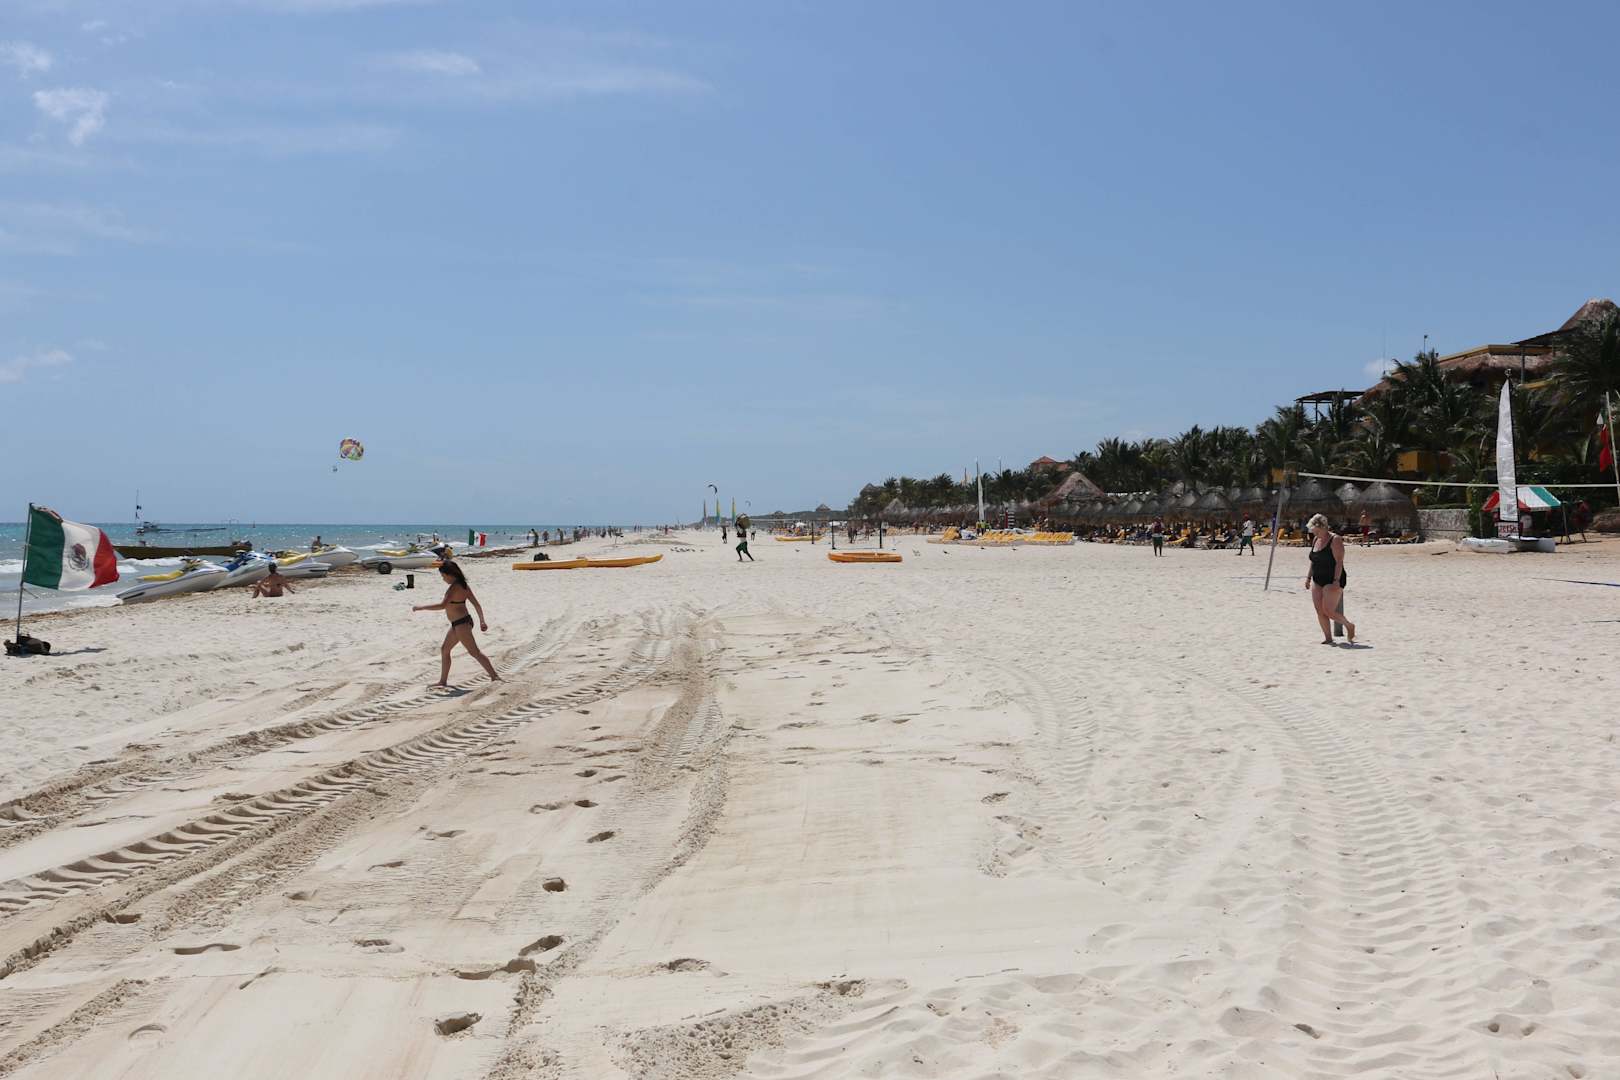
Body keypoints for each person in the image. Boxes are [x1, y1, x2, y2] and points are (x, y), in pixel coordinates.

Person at [414, 560, 499, 687]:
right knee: (445, 650)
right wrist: (482, 621)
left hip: (461, 624)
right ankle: (443, 681)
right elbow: (476, 605)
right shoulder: (463, 585)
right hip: (460, 623)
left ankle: (495, 677)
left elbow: (442, 605)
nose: (443, 579)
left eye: (443, 576)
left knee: (474, 652)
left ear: (450, 574)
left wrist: (421, 607)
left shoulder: (454, 587)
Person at [1305, 513, 1355, 645]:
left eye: (1315, 530)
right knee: (1319, 610)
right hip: (1317, 578)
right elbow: (1313, 561)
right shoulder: (1316, 540)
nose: (1313, 532)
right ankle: (1328, 637)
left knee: (1329, 611)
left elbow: (1339, 562)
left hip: (1333, 579)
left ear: (1323, 527)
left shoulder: (1335, 540)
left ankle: (1349, 625)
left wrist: (1336, 581)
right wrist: (1308, 578)